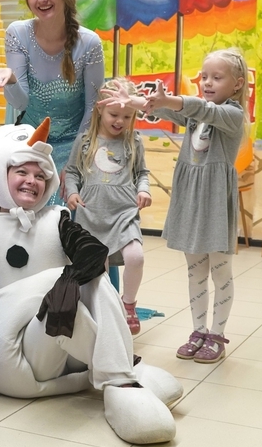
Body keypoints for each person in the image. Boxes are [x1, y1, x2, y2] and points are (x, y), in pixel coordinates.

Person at [0, 119, 181, 444]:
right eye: (22, 172)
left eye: (41, 175)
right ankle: (125, 371)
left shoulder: (56, 219)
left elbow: (94, 252)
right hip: (1, 353)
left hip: (53, 347)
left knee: (92, 277)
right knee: (66, 278)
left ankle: (120, 377)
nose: (33, 181)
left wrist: (70, 283)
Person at [100, 49, 248, 363]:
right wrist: (133, 101)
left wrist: (170, 99)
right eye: (204, 77)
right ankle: (198, 331)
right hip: (190, 199)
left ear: (237, 84)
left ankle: (217, 335)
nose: (207, 82)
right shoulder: (196, 113)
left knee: (220, 272)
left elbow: (198, 108)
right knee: (195, 271)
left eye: (217, 77)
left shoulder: (232, 115)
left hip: (214, 202)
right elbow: (166, 110)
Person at [0, 0, 105, 202]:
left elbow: (93, 109)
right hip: (29, 146)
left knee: (66, 213)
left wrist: (75, 163)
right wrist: (12, 80)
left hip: (74, 146)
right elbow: (21, 103)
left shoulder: (90, 43)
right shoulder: (17, 33)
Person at [64, 78, 152, 335]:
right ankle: (104, 315)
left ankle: (128, 305)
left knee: (136, 256)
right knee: (98, 272)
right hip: (91, 214)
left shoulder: (134, 141)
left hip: (123, 212)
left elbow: (142, 173)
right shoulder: (84, 141)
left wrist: (144, 189)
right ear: (100, 109)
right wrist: (72, 192)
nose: (120, 121)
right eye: (114, 114)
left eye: (127, 116)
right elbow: (72, 172)